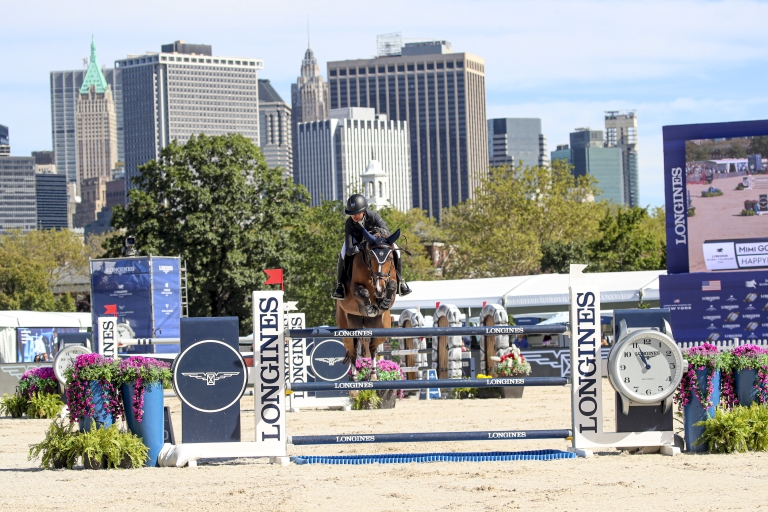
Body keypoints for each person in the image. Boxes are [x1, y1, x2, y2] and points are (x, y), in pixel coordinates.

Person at [332, 194, 412, 300]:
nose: (354, 216)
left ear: (363, 211)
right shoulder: (349, 223)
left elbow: (386, 233)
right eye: (351, 214)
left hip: (375, 241)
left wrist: (374, 233)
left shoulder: (373, 216)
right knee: (342, 252)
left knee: (397, 250)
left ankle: (401, 282)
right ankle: (340, 285)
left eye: (356, 213)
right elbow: (349, 250)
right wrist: (357, 248)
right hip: (358, 243)